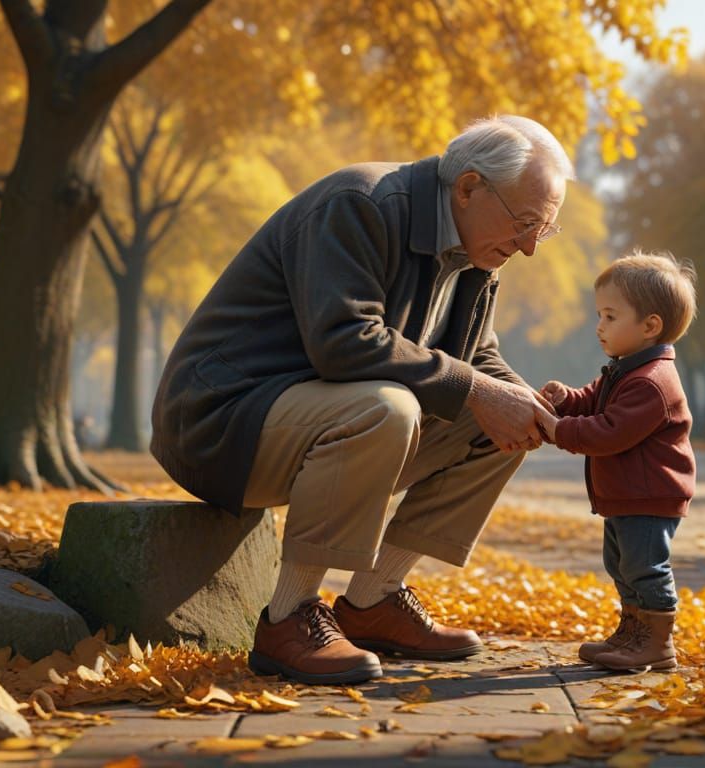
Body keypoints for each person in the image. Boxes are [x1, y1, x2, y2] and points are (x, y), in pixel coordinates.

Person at [151, 115, 570, 685]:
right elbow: (344, 344)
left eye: (543, 231)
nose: (529, 249)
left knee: (500, 425)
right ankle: (288, 618)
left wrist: (541, 410)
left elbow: (477, 362)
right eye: (524, 223)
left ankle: (373, 602)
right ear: (468, 188)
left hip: (313, 421)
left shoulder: (478, 252)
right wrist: (479, 389)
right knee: (388, 406)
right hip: (221, 423)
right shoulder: (361, 204)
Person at [534, 250, 697, 672]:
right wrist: (567, 400)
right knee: (621, 566)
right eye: (600, 315)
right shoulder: (624, 370)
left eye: (609, 316)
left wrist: (557, 430)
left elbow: (610, 431)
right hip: (625, 495)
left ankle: (657, 643)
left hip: (648, 494)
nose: (599, 326)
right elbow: (593, 400)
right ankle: (632, 632)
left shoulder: (652, 383)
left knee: (645, 568)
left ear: (650, 326)